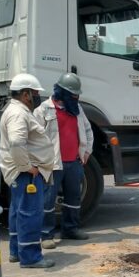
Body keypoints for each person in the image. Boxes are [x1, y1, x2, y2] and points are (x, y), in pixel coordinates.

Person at [0, 73, 56, 268]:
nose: (37, 97)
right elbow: (16, 142)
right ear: (25, 94)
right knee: (30, 213)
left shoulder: (15, 110)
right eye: (34, 93)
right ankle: (30, 257)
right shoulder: (18, 113)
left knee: (18, 212)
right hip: (25, 173)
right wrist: (27, 167)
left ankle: (17, 251)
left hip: (19, 172)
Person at [33, 73, 93, 249]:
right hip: (53, 163)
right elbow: (34, 139)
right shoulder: (44, 110)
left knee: (73, 198)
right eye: (73, 95)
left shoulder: (77, 109)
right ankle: (46, 235)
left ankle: (71, 229)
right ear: (61, 92)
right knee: (48, 200)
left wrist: (87, 151)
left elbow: (88, 131)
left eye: (77, 95)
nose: (76, 98)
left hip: (74, 162)